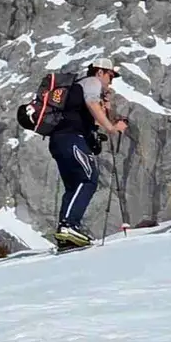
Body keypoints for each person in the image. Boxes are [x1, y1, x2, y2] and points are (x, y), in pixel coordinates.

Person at [51, 62, 128, 248]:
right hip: (72, 139)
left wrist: (106, 105)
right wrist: (111, 128)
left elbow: (93, 111)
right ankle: (68, 226)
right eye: (110, 76)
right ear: (100, 72)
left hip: (59, 141)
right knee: (88, 179)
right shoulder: (92, 81)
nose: (111, 82)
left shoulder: (79, 86)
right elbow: (92, 103)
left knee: (74, 185)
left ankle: (65, 235)